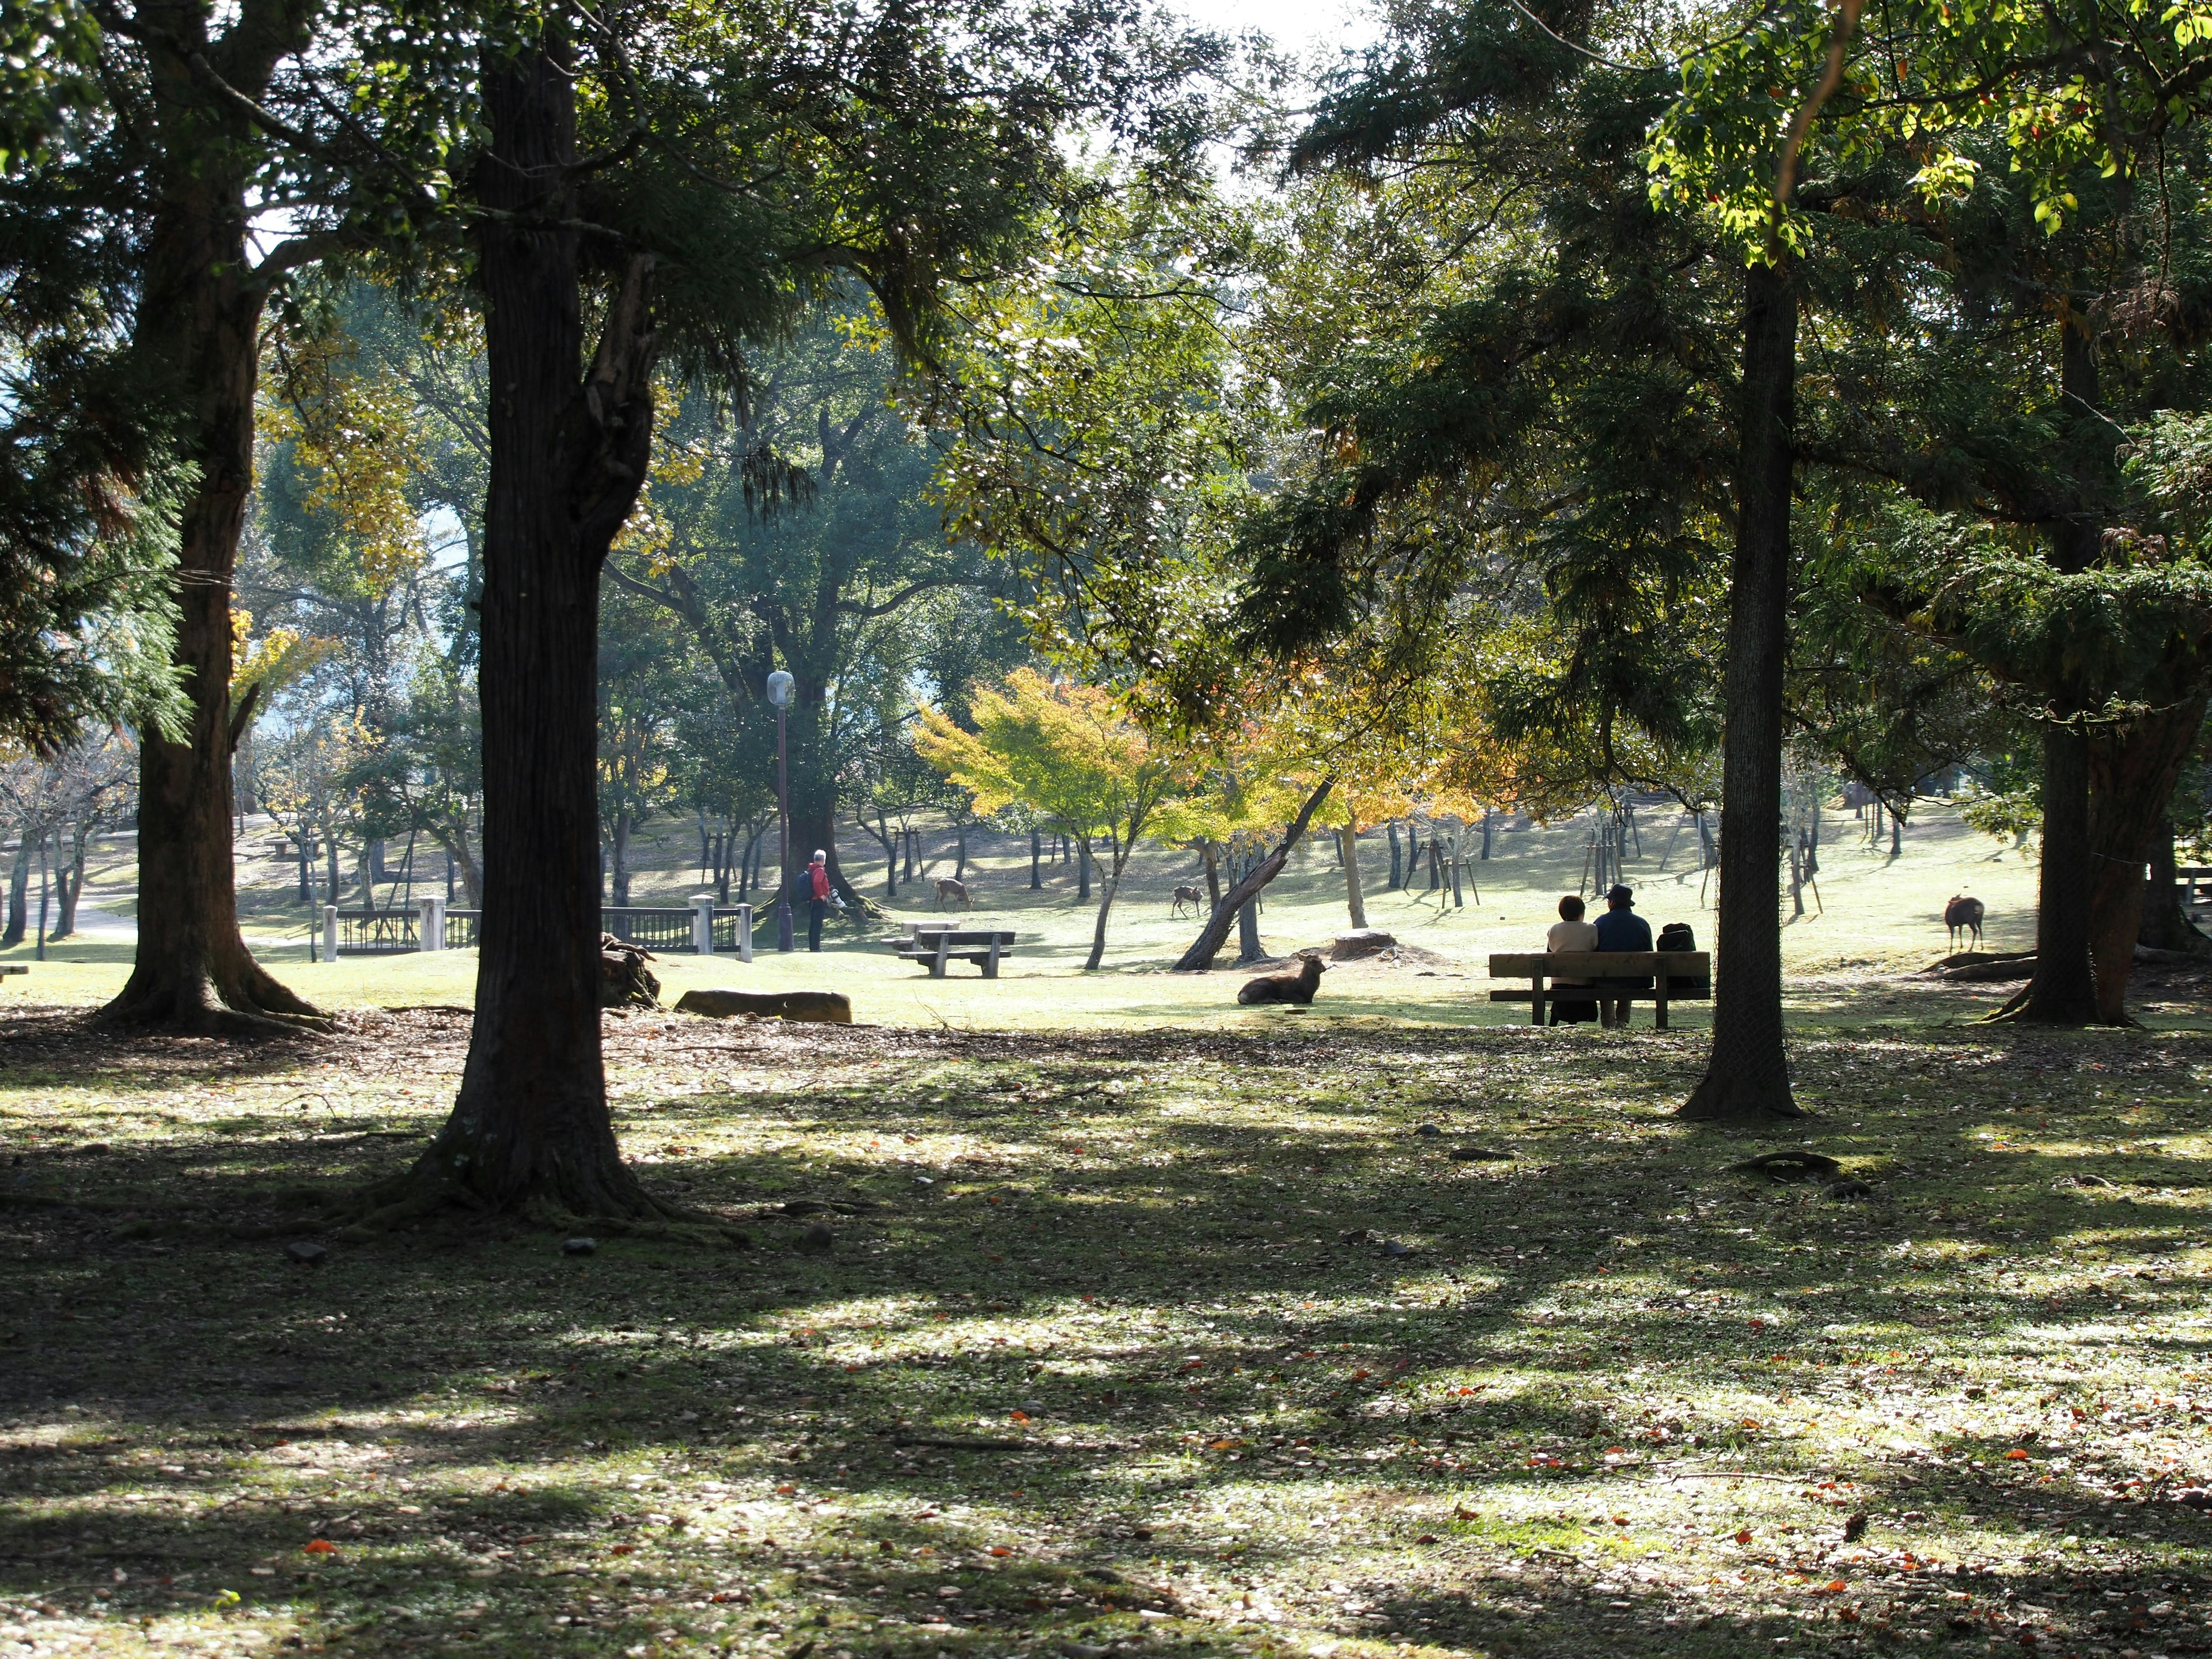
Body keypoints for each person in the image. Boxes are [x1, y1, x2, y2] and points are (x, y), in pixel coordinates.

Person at [1593, 882, 1653, 1028]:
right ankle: (1622, 1021)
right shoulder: (1642, 924)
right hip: (1634, 980)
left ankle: (1608, 1022)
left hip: (1606, 979)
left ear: (1612, 902)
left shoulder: (1600, 922)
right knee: (1628, 975)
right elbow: (1649, 952)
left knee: (1606, 977)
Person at [1546, 893, 1600, 1025]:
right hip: (1584, 983)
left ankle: (1557, 1021)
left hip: (1559, 984)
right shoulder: (1591, 929)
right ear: (1582, 912)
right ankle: (1573, 1022)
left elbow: (1550, 952)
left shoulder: (1554, 929)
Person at [806, 850, 831, 952]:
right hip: (818, 900)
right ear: (823, 860)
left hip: (812, 900)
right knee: (818, 924)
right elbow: (817, 882)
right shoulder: (820, 870)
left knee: (813, 923)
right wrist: (821, 895)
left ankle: (813, 946)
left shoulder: (811, 869)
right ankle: (816, 948)